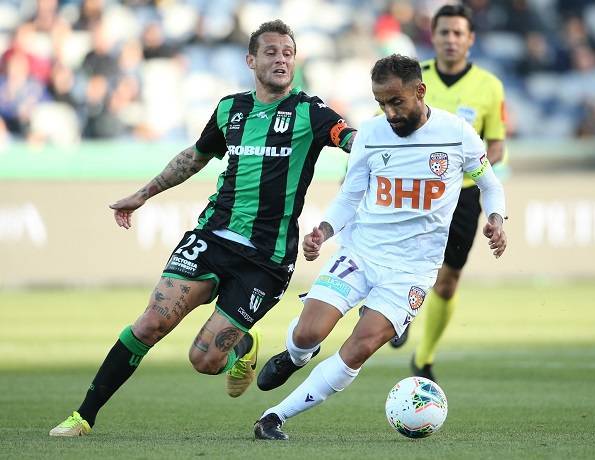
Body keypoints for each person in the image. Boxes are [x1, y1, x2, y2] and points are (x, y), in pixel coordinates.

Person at [49, 19, 356, 437]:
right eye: (271, 52)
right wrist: (144, 194)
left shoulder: (311, 112)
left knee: (204, 361)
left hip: (265, 260)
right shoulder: (231, 109)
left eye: (288, 52)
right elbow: (195, 156)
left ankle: (241, 347)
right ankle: (83, 416)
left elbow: (354, 141)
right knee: (150, 324)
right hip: (211, 236)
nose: (281, 59)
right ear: (251, 59)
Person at [252, 54, 507, 441]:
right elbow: (349, 196)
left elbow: (489, 184)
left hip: (412, 271)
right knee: (308, 334)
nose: (389, 112)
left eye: (396, 102)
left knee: (358, 347)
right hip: (360, 254)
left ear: (420, 91)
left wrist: (496, 218)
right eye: (381, 103)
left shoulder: (458, 135)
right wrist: (323, 229)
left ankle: (275, 416)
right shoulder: (370, 135)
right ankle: (295, 356)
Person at [391, 4, 508, 384]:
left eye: (459, 33)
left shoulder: (489, 86)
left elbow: (497, 145)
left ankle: (423, 358)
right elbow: (387, 126)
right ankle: (396, 315)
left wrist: (474, 168)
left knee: (448, 280)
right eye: (445, 32)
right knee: (401, 262)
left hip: (464, 196)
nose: (451, 40)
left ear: (470, 39)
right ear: (434, 36)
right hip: (416, 191)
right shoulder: (413, 79)